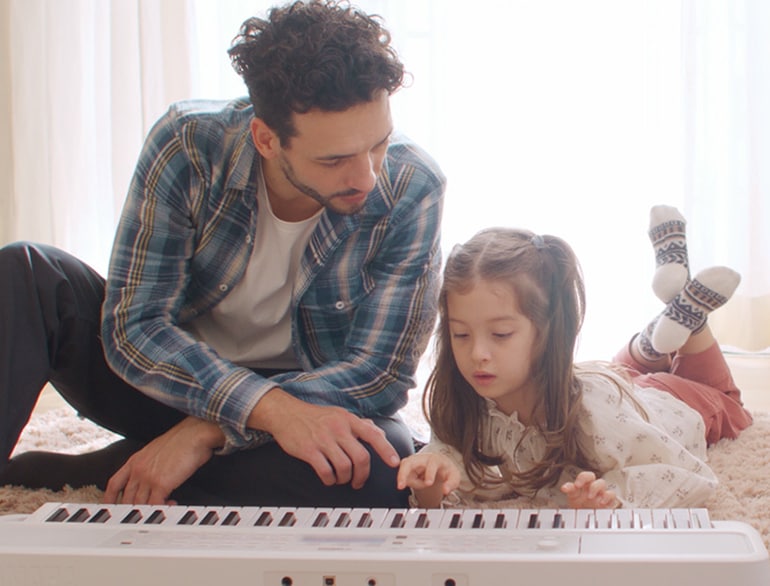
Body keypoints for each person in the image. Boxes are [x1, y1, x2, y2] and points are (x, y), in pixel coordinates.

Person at [0, 0, 445, 508]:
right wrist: (261, 408)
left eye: (378, 144)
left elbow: (377, 374)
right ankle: (156, 453)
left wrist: (209, 431)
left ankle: (104, 470)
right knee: (25, 272)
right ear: (266, 139)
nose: (367, 176)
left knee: (383, 467)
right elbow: (136, 326)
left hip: (308, 397)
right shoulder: (188, 146)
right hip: (174, 381)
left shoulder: (413, 186)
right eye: (335, 159)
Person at [397, 206, 752, 509]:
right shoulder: (463, 401)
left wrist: (610, 497)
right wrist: (430, 482)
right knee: (624, 369)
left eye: (501, 335)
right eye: (460, 334)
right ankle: (661, 331)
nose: (477, 354)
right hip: (622, 381)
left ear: (549, 331)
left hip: (672, 399)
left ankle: (688, 319)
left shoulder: (597, 413)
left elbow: (689, 475)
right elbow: (446, 478)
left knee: (728, 402)